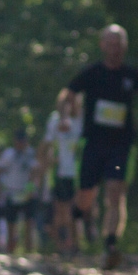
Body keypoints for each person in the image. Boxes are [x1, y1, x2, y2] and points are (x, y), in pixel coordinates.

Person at [57, 24, 138, 270]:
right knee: (85, 196)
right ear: (102, 45)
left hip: (121, 144)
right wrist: (65, 117)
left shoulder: (132, 75)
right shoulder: (92, 73)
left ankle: (111, 245)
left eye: (119, 44)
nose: (115, 48)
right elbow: (67, 95)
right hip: (93, 143)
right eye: (110, 43)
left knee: (115, 191)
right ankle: (78, 225)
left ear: (125, 46)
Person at [42, 107, 83, 255]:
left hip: (76, 174)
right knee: (61, 211)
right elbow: (46, 146)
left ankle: (74, 243)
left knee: (73, 211)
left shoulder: (81, 119)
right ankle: (62, 245)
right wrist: (48, 163)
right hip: (58, 174)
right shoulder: (54, 120)